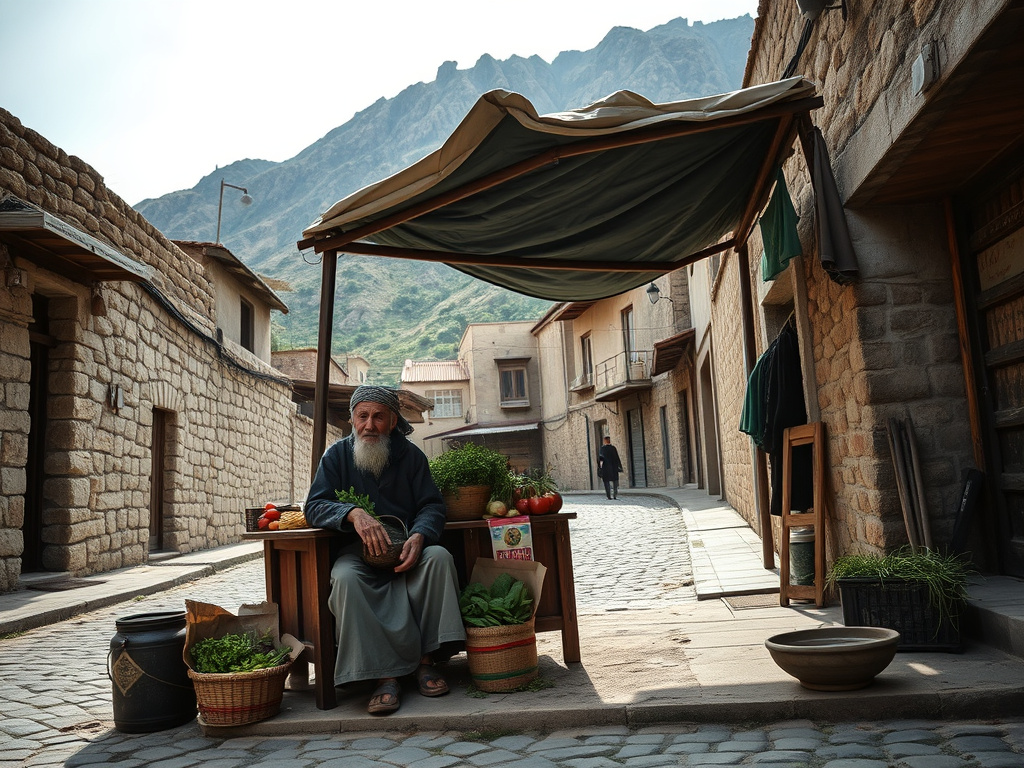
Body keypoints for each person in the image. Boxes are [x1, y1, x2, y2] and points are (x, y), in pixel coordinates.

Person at [304, 385, 465, 715]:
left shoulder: (411, 457)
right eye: (362, 416)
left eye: (379, 417)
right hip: (357, 553)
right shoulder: (335, 456)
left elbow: (432, 505)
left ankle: (425, 662)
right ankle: (383, 676)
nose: (369, 425)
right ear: (352, 419)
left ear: (393, 422)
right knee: (345, 578)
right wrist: (352, 513)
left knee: (439, 558)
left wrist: (420, 536)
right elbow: (314, 506)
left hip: (408, 549)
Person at [597, 436, 624, 500]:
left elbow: (601, 459)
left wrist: (600, 467)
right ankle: (615, 495)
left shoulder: (602, 449)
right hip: (614, 468)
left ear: (604, 441)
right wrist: (619, 466)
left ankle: (609, 496)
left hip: (606, 468)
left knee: (606, 482)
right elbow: (617, 458)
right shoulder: (613, 448)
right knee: (615, 482)